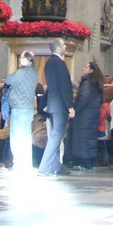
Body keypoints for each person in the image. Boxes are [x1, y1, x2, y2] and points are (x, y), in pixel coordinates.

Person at [39, 38, 74, 177]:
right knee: (55, 137)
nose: (65, 46)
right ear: (59, 48)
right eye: (64, 44)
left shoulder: (48, 63)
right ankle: (44, 167)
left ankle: (56, 166)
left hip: (53, 104)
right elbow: (64, 86)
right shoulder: (60, 63)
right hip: (60, 106)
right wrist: (70, 106)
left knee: (55, 136)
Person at [4, 50, 38, 171]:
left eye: (21, 57)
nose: (19, 59)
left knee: (16, 137)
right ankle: (26, 163)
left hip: (18, 108)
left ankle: (18, 163)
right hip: (28, 109)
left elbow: (8, 80)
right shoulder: (35, 73)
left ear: (26, 59)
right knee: (26, 137)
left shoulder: (20, 73)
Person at [71, 61, 104, 170]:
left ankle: (83, 161)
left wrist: (75, 110)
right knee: (90, 138)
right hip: (93, 114)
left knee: (82, 138)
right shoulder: (96, 83)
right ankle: (90, 161)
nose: (83, 68)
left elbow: (83, 99)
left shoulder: (87, 83)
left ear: (91, 70)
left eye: (86, 67)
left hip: (84, 116)